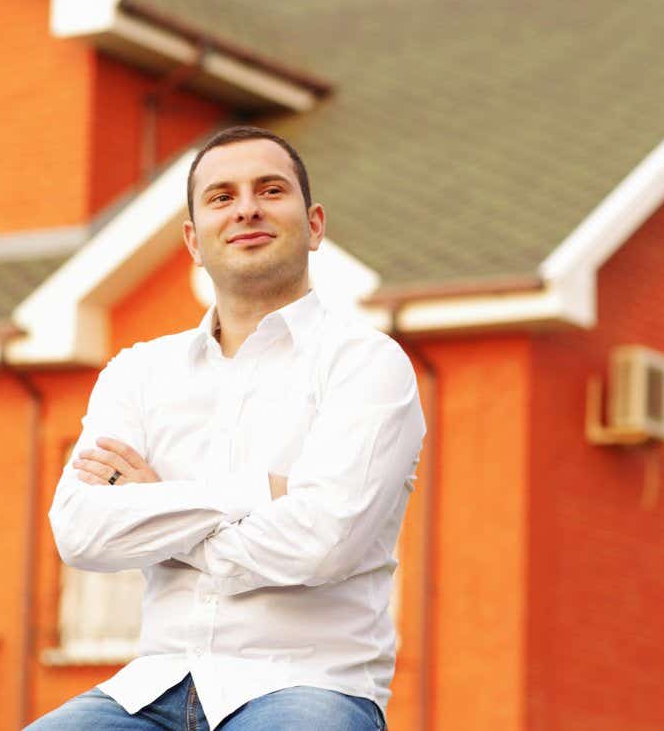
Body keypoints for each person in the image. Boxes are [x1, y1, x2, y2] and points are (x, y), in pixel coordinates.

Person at [29, 126, 425, 730]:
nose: (246, 208)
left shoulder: (366, 364)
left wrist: (155, 510)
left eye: (270, 190)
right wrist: (257, 492)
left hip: (309, 688)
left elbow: (321, 544)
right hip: (154, 687)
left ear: (314, 224)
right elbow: (81, 534)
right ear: (193, 240)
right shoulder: (138, 373)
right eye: (221, 197)